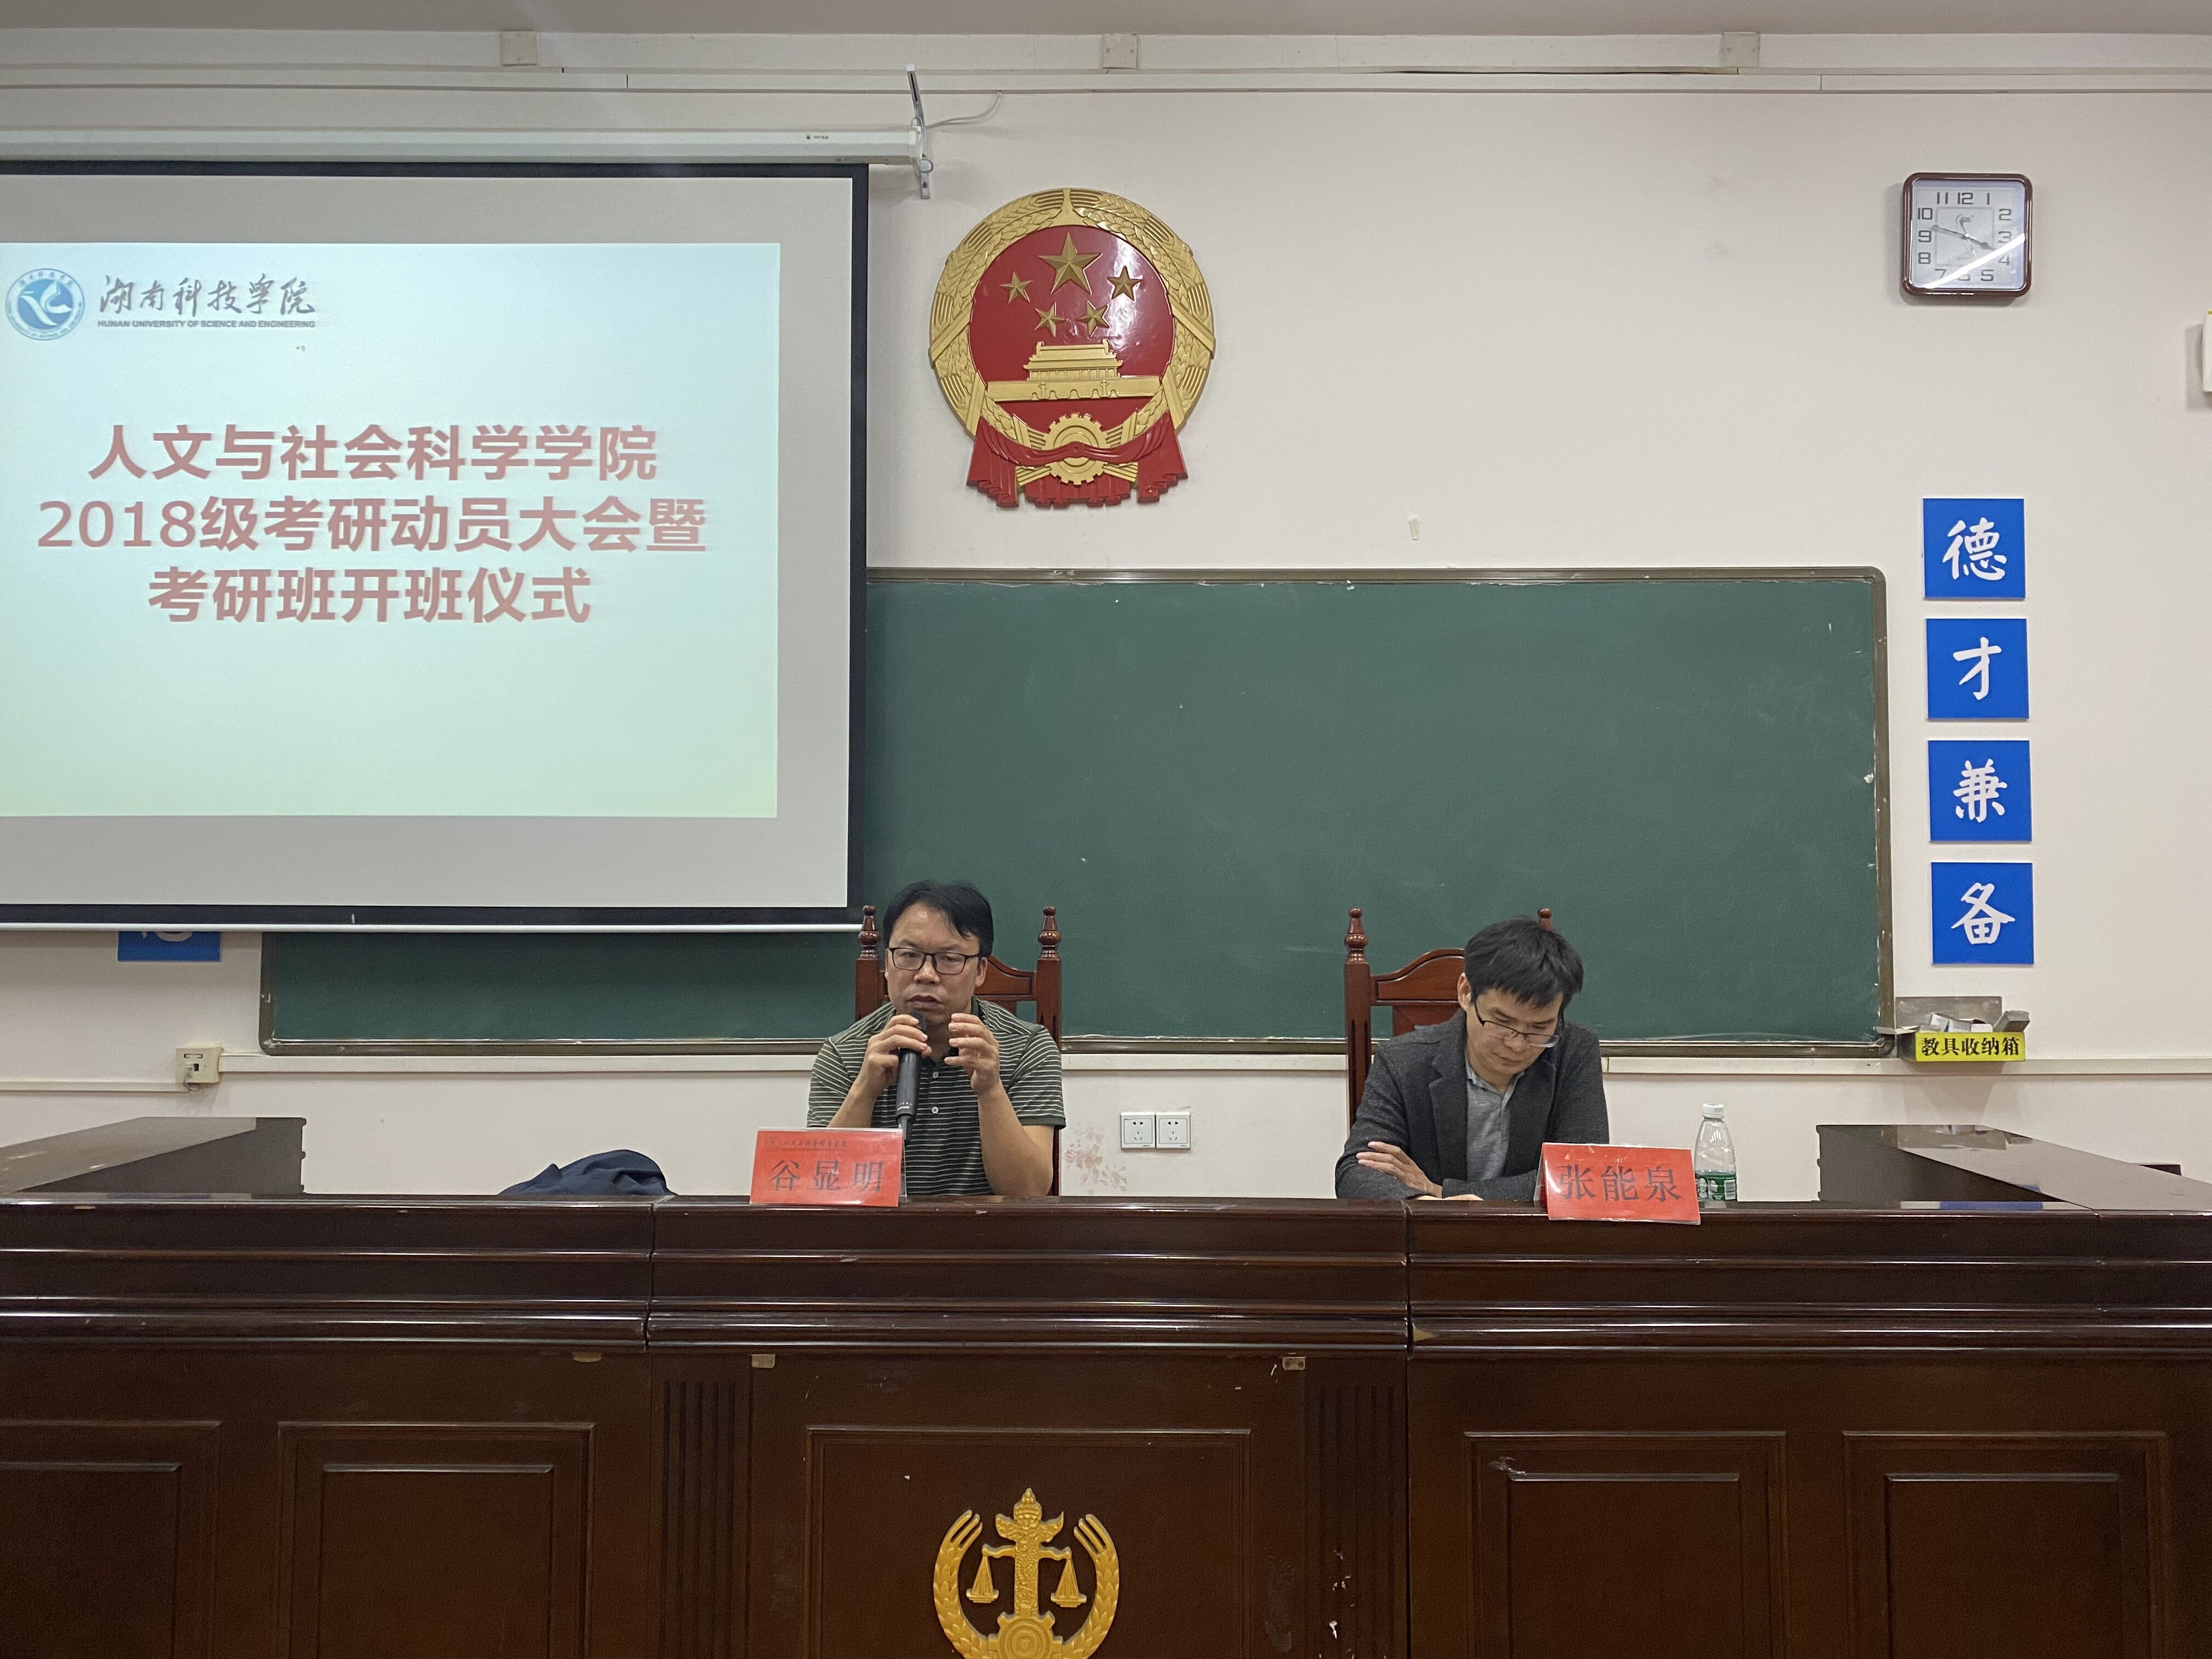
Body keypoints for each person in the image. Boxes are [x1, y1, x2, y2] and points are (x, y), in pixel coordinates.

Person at [809, 879, 1062, 1198]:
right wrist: (865, 1089)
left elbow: (1028, 1192)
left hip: (987, 1228)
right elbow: (821, 1187)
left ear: (980, 971)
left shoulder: (1028, 1047)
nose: (926, 975)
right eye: (908, 955)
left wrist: (991, 1091)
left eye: (950, 959)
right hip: (881, 1229)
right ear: (887, 965)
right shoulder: (843, 1052)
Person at [1335, 915, 1607, 1201]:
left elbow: (1585, 1172)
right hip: (1432, 1228)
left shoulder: (1574, 1051)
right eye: (1502, 1022)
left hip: (1528, 1228)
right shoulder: (1403, 1060)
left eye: (1539, 1028)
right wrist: (1427, 1207)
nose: (1517, 1044)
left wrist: (1445, 1193)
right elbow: (1356, 1171)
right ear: (1466, 993)